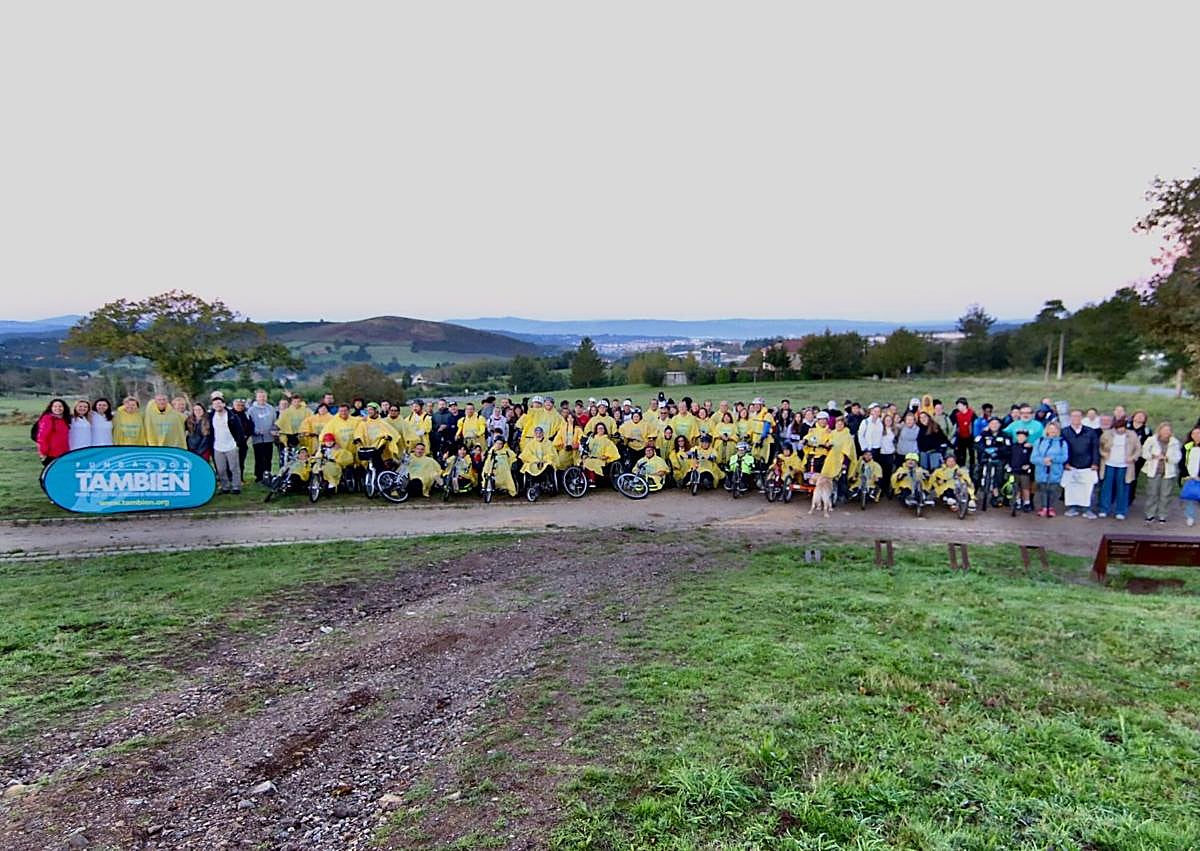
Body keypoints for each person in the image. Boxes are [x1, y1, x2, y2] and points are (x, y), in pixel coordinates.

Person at [1097, 415, 1140, 520]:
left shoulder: (1132, 435)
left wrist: (1133, 458)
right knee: (1106, 487)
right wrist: (1104, 454)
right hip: (1109, 464)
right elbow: (1100, 447)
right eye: (1118, 428)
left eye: (1122, 427)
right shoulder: (1107, 434)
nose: (1120, 430)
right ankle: (1104, 509)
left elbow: (1138, 449)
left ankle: (1121, 511)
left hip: (1124, 466)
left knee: (1123, 488)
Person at [1140, 422, 1182, 524]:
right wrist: (1153, 456)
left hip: (1167, 472)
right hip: (1154, 470)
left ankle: (1162, 515)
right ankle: (1150, 514)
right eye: (1164, 430)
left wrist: (1167, 458)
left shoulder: (1174, 442)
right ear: (1159, 430)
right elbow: (1144, 452)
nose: (1166, 432)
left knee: (1165, 495)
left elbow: (1178, 457)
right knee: (1152, 493)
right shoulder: (1151, 440)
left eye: (1168, 430)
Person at [1061, 409, 1099, 519]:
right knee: (1072, 488)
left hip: (1087, 465)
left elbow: (1095, 448)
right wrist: (1066, 463)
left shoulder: (1090, 432)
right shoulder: (1065, 431)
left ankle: (1088, 509)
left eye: (1078, 416)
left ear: (1081, 418)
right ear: (1070, 418)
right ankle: (1072, 508)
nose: (1075, 418)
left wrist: (1095, 462)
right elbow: (1062, 448)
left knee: (1088, 488)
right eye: (1073, 416)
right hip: (1071, 465)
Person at [207, 393, 245, 494]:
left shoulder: (232, 416)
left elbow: (239, 431)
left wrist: (237, 443)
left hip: (231, 445)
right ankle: (225, 486)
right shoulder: (211, 417)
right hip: (218, 447)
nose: (217, 405)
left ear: (224, 404)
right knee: (221, 469)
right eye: (215, 404)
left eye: (219, 403)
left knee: (234, 468)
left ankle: (236, 486)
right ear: (213, 406)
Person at [1030, 421, 1068, 517]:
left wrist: (1053, 459)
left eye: (1054, 429)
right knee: (1043, 489)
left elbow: (1064, 457)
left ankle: (1051, 507)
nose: (1052, 431)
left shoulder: (1062, 442)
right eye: (1050, 429)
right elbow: (1033, 457)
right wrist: (1043, 461)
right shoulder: (1039, 441)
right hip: (1041, 470)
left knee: (1053, 490)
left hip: (1055, 470)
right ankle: (1044, 507)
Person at [973, 418, 1011, 506]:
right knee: (976, 474)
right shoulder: (983, 434)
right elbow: (976, 444)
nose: (994, 425)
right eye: (992, 423)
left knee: (1000, 476)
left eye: (996, 423)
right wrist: (985, 449)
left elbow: (1008, 447)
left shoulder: (1005, 435)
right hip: (985, 459)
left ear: (1000, 425)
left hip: (999, 459)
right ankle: (972, 495)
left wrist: (998, 450)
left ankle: (996, 495)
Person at [247, 389, 277, 483]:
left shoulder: (271, 408)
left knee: (268, 458)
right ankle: (259, 476)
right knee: (259, 458)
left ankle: (267, 474)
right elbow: (249, 423)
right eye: (260, 396)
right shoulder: (252, 410)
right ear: (256, 397)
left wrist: (274, 430)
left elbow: (274, 422)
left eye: (264, 396)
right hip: (258, 438)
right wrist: (256, 431)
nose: (262, 398)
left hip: (269, 438)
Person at [519, 427, 557, 491]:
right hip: (534, 463)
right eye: (537, 433)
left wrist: (543, 460)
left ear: (543, 433)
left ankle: (549, 485)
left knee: (549, 466)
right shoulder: (530, 444)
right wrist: (535, 460)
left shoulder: (548, 443)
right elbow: (526, 454)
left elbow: (551, 454)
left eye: (540, 433)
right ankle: (529, 486)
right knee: (527, 467)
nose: (538, 435)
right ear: (534, 434)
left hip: (545, 463)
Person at [35, 399, 70, 465]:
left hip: (63, 453)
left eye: (60, 406)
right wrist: (43, 452)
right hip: (51, 454)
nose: (58, 408)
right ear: (51, 408)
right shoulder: (48, 419)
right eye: (55, 406)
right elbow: (42, 437)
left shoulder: (63, 420)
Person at [1009, 429, 1035, 513]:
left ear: (1026, 437)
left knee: (1025, 487)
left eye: (1023, 436)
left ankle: (1027, 502)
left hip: (1024, 471)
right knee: (1016, 487)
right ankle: (1017, 501)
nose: (1020, 438)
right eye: (1019, 436)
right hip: (1014, 470)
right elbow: (1009, 457)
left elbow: (1032, 458)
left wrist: (1029, 465)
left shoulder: (1029, 447)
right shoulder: (1013, 446)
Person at [230, 398, 254, 480]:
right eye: (238, 405)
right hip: (230, 443)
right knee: (230, 463)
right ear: (233, 405)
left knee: (241, 462)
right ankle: (230, 478)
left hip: (243, 443)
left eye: (242, 405)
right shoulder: (229, 415)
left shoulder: (246, 415)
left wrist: (247, 436)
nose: (240, 407)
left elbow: (251, 427)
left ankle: (240, 478)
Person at [1181, 425, 1200, 528]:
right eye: (1194, 433)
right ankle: (1190, 517)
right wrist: (1185, 475)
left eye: (1198, 433)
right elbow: (1182, 462)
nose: (1196, 435)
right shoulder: (1187, 446)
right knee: (1190, 498)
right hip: (1190, 477)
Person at [950, 398, 976, 469]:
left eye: (960, 406)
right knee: (961, 453)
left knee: (971, 453)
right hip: (961, 437)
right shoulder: (957, 415)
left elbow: (974, 424)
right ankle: (961, 466)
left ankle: (972, 467)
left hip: (970, 437)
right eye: (958, 406)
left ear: (965, 406)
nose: (958, 407)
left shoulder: (972, 414)